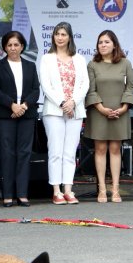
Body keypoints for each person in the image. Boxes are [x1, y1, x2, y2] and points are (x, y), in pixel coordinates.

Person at [0, 30, 40, 207]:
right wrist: (12, 105)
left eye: (16, 45)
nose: (13, 48)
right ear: (4, 47)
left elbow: (35, 90)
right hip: (5, 115)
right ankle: (8, 194)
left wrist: (24, 106)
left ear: (22, 46)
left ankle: (22, 194)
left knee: (24, 153)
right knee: (7, 154)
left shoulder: (30, 66)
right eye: (9, 45)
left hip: (26, 114)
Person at [40, 22, 89, 205]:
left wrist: (73, 102)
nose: (60, 37)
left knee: (70, 152)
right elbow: (46, 85)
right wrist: (62, 102)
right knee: (55, 151)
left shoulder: (79, 59)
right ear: (53, 37)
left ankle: (68, 189)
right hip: (54, 110)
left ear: (70, 37)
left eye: (63, 34)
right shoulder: (47, 58)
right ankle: (56, 190)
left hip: (75, 110)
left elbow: (85, 84)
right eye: (57, 34)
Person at [85, 30, 133, 203]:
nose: (103, 45)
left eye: (106, 42)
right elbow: (91, 90)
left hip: (120, 112)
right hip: (99, 112)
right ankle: (102, 189)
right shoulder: (92, 65)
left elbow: (130, 87)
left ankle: (115, 189)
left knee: (115, 149)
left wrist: (123, 108)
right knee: (100, 149)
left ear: (114, 44)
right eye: (100, 42)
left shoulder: (125, 63)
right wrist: (101, 108)